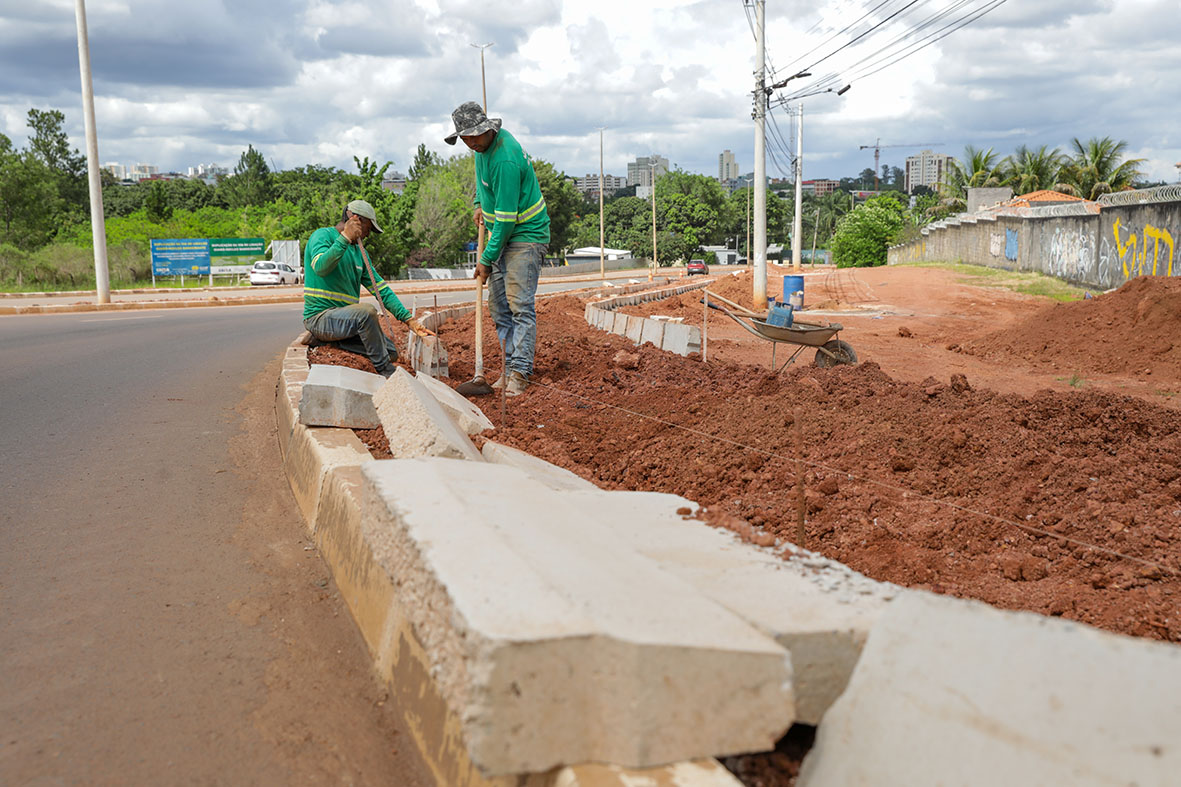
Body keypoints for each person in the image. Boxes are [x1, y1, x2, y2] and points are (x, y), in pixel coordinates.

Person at [445, 101, 550, 396]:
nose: (470, 144)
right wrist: (479, 203)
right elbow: (483, 182)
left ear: (486, 130)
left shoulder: (505, 157)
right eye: (464, 139)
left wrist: (486, 260)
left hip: (525, 236)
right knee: (499, 306)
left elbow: (505, 221)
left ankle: (520, 372)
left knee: (519, 306)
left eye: (473, 137)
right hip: (504, 234)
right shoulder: (481, 148)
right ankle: (507, 365)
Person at [303, 199, 433, 378]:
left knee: (391, 352)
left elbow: (381, 290)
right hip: (320, 318)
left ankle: (330, 342)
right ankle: (385, 370)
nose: (368, 235)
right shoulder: (322, 236)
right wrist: (345, 238)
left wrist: (409, 320)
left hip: (345, 323)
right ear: (355, 219)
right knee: (366, 312)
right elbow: (321, 268)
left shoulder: (358, 253)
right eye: (368, 228)